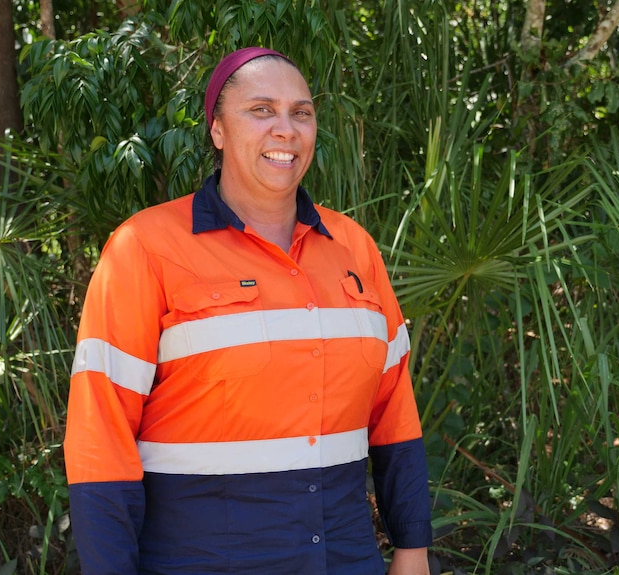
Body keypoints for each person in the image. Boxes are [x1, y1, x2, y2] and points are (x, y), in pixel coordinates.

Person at [63, 46, 433, 575]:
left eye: (300, 113)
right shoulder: (145, 248)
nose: (285, 128)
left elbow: (394, 412)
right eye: (261, 110)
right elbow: (101, 437)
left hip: (346, 558)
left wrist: (412, 547)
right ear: (217, 130)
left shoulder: (354, 247)